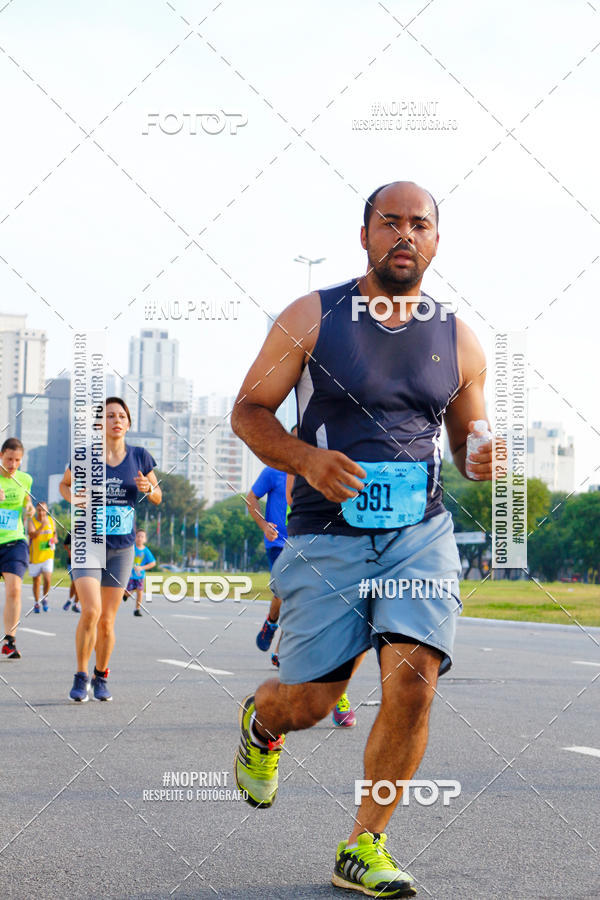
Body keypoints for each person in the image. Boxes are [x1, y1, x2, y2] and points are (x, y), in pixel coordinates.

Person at [231, 181, 495, 897]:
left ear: (436, 240)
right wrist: (306, 460)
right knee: (312, 702)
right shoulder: (312, 317)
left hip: (418, 534)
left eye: (420, 225)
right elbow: (249, 410)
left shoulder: (458, 338)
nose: (405, 235)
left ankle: (364, 844)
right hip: (327, 535)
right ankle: (264, 722)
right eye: (390, 222)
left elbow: (466, 440)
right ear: (365, 235)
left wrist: (480, 457)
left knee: (414, 678)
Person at [60, 397, 162, 701]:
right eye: (109, 416)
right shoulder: (84, 455)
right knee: (91, 610)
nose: (116, 420)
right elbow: (65, 485)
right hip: (88, 544)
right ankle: (81, 676)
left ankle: (101, 675)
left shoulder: (140, 456)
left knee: (107, 621)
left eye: (121, 416)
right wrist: (75, 498)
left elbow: (158, 495)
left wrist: (149, 489)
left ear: (128, 423)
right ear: (99, 424)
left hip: (122, 548)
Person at [0, 438, 34, 659]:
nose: (13, 464)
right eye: (9, 459)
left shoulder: (25, 479)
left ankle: (9, 641)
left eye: (17, 460)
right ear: (1, 456)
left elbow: (26, 502)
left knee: (14, 590)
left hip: (15, 541)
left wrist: (29, 508)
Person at [28, 501, 57, 613]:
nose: (41, 512)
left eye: (43, 510)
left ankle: (45, 598)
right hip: (35, 556)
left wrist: (54, 540)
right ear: (36, 511)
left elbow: (54, 534)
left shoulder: (51, 520)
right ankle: (36, 602)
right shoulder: (32, 521)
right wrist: (42, 526)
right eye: (39, 510)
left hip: (48, 555)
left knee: (47, 579)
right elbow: (32, 535)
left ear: (47, 510)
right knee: (36, 581)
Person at [122, 529, 156, 617]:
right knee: (129, 591)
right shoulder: (131, 548)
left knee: (140, 592)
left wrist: (142, 568)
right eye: (138, 536)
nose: (140, 538)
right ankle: (125, 595)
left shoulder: (146, 551)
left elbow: (152, 563)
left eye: (142, 537)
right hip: (130, 576)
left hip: (140, 576)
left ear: (145, 539)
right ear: (134, 537)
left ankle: (137, 609)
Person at [62, 532, 81, 613]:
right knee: (75, 581)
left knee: (80, 583)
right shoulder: (72, 532)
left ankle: (75, 604)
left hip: (84, 562)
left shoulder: (90, 531)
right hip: (72, 562)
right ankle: (70, 600)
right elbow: (65, 544)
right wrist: (69, 552)